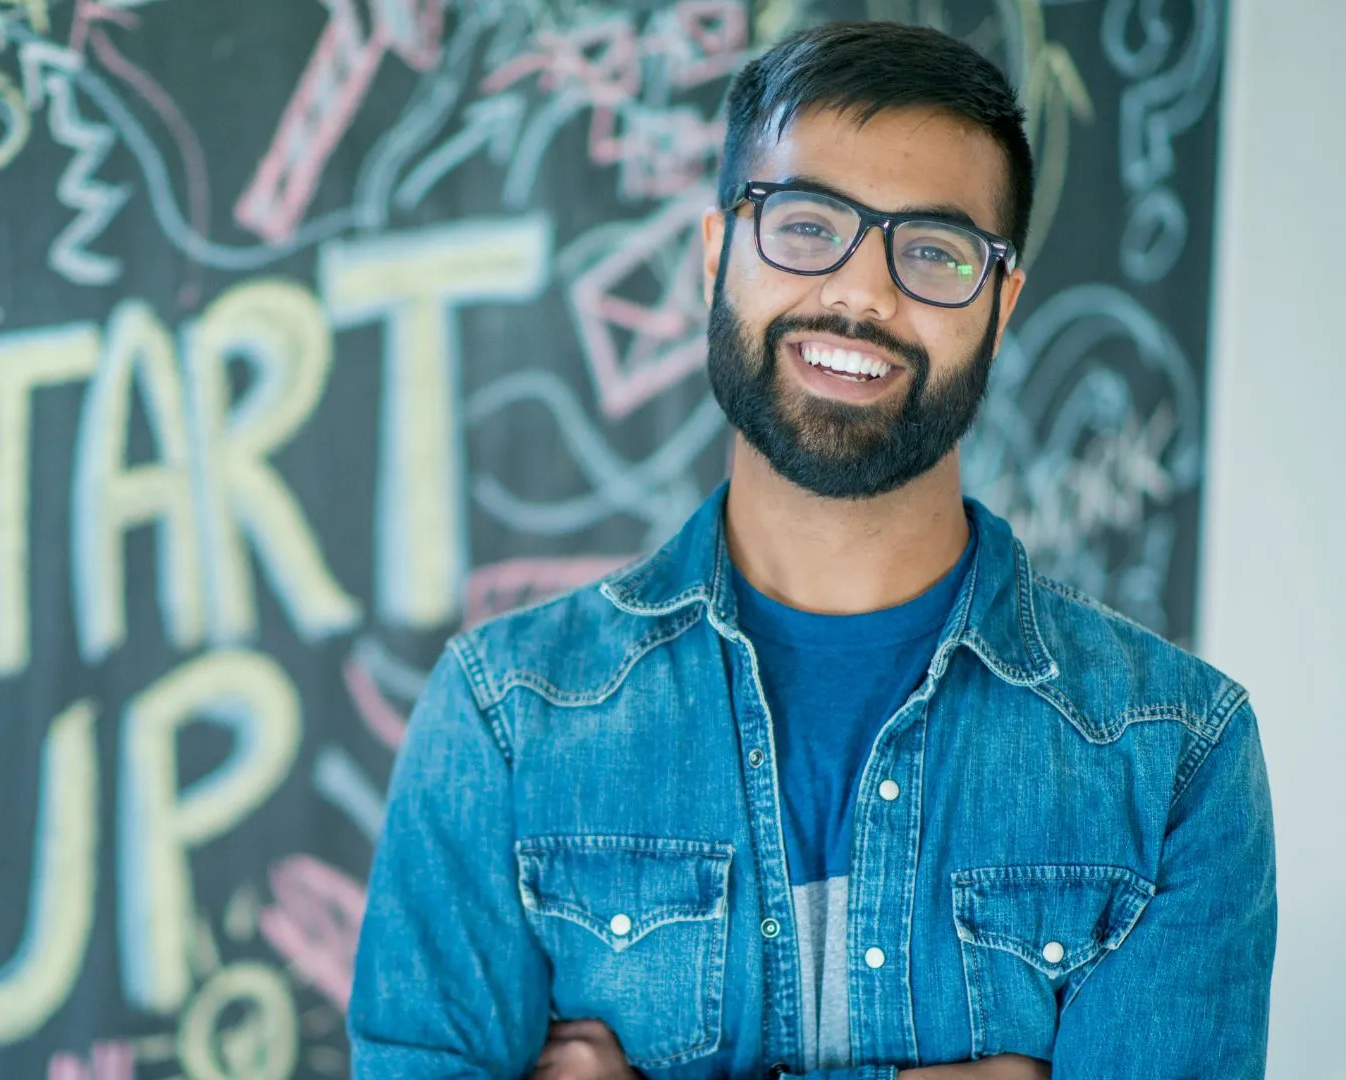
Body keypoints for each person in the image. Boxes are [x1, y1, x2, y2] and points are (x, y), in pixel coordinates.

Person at [347, 19, 1276, 1080]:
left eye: (934, 251)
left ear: (1000, 305)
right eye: (805, 224)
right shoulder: (506, 717)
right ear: (716, 255)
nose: (862, 294)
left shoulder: (1177, 761)